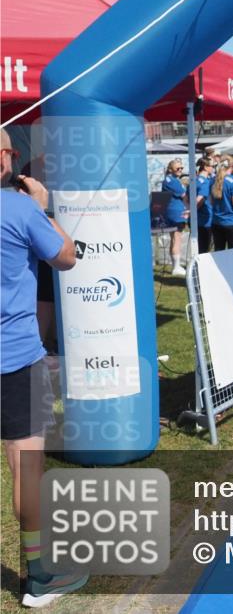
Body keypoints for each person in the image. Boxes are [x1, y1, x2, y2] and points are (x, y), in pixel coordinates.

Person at [1, 130, 87, 607]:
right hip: (14, 356)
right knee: (25, 464)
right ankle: (40, 576)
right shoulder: (20, 208)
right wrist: (43, 205)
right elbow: (67, 257)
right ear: (4, 158)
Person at [210, 158, 233, 251]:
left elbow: (211, 201)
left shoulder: (213, 180)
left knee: (218, 252)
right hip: (231, 222)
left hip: (217, 221)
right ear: (232, 166)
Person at [160, 159, 189, 276]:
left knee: (174, 238)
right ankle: (176, 267)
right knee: (177, 238)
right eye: (178, 168)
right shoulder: (173, 181)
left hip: (171, 211)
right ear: (170, 169)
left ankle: (175, 265)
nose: (180, 170)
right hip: (176, 212)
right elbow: (184, 195)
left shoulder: (169, 180)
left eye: (181, 168)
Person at [194, 157, 215, 255]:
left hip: (196, 220)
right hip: (205, 219)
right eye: (212, 166)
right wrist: (192, 211)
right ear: (206, 167)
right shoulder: (205, 182)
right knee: (205, 249)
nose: (213, 168)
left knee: (198, 246)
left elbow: (186, 198)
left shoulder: (194, 180)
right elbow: (200, 199)